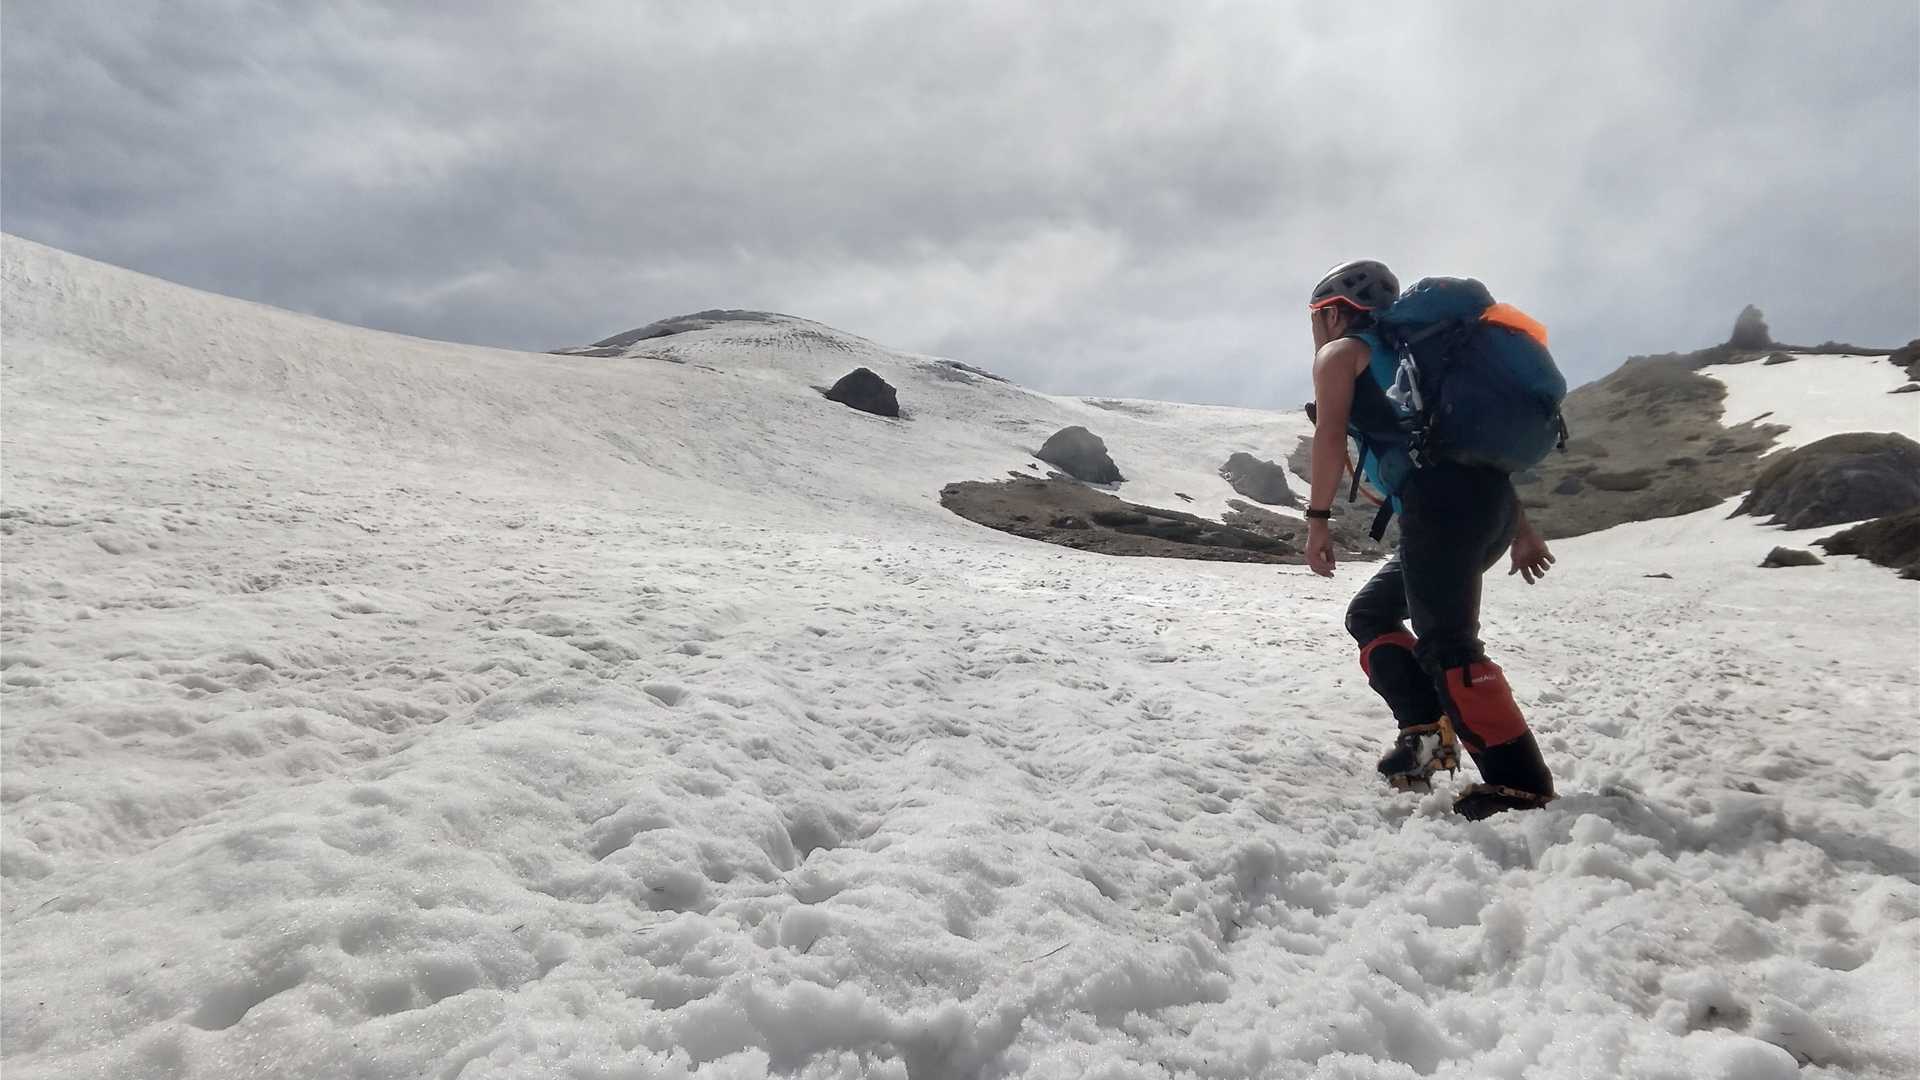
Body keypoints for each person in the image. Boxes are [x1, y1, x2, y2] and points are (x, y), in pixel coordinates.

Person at [1300, 259, 1558, 820]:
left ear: (1332, 313)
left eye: (1315, 316)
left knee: (1448, 643)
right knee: (1372, 613)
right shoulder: (1416, 358)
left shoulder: (1341, 352)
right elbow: (1470, 452)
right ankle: (1425, 734)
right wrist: (1521, 531)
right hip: (1485, 507)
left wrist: (1318, 519)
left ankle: (1520, 783)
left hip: (1440, 510)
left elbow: (1328, 438)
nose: (1315, 328)